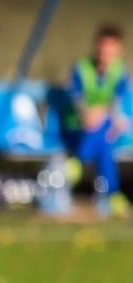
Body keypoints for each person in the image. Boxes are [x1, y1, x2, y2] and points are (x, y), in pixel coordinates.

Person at [67, 24, 131, 218]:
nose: (106, 51)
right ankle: (113, 194)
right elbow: (76, 101)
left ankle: (79, 159)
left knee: (104, 134)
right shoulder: (81, 69)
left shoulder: (121, 73)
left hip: (106, 128)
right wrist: (89, 114)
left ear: (118, 50)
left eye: (110, 47)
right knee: (103, 141)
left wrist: (108, 116)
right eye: (103, 46)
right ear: (97, 46)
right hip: (79, 127)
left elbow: (118, 104)